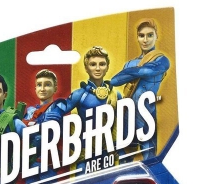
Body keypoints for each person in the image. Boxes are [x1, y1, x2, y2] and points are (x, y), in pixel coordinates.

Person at [110, 18, 170, 159]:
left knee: (149, 156)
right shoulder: (129, 63)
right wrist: (139, 70)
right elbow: (114, 80)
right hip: (127, 113)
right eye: (141, 35)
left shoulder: (161, 59)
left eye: (150, 35)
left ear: (156, 36)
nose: (145, 40)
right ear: (137, 37)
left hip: (146, 114)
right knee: (124, 156)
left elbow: (148, 71)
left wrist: (132, 72)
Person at [63, 46, 121, 174]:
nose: (98, 68)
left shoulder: (115, 95)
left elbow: (123, 123)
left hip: (107, 152)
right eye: (93, 64)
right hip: (84, 152)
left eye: (102, 64)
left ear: (107, 67)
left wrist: (118, 146)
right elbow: (58, 112)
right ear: (86, 67)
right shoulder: (79, 94)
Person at [22, 69, 67, 184]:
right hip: (31, 162)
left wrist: (30, 125)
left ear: (55, 88)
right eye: (39, 85)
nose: (42, 89)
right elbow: (22, 128)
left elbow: (52, 127)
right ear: (35, 88)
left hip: (48, 163)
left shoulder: (57, 107)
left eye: (47, 85)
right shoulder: (31, 111)